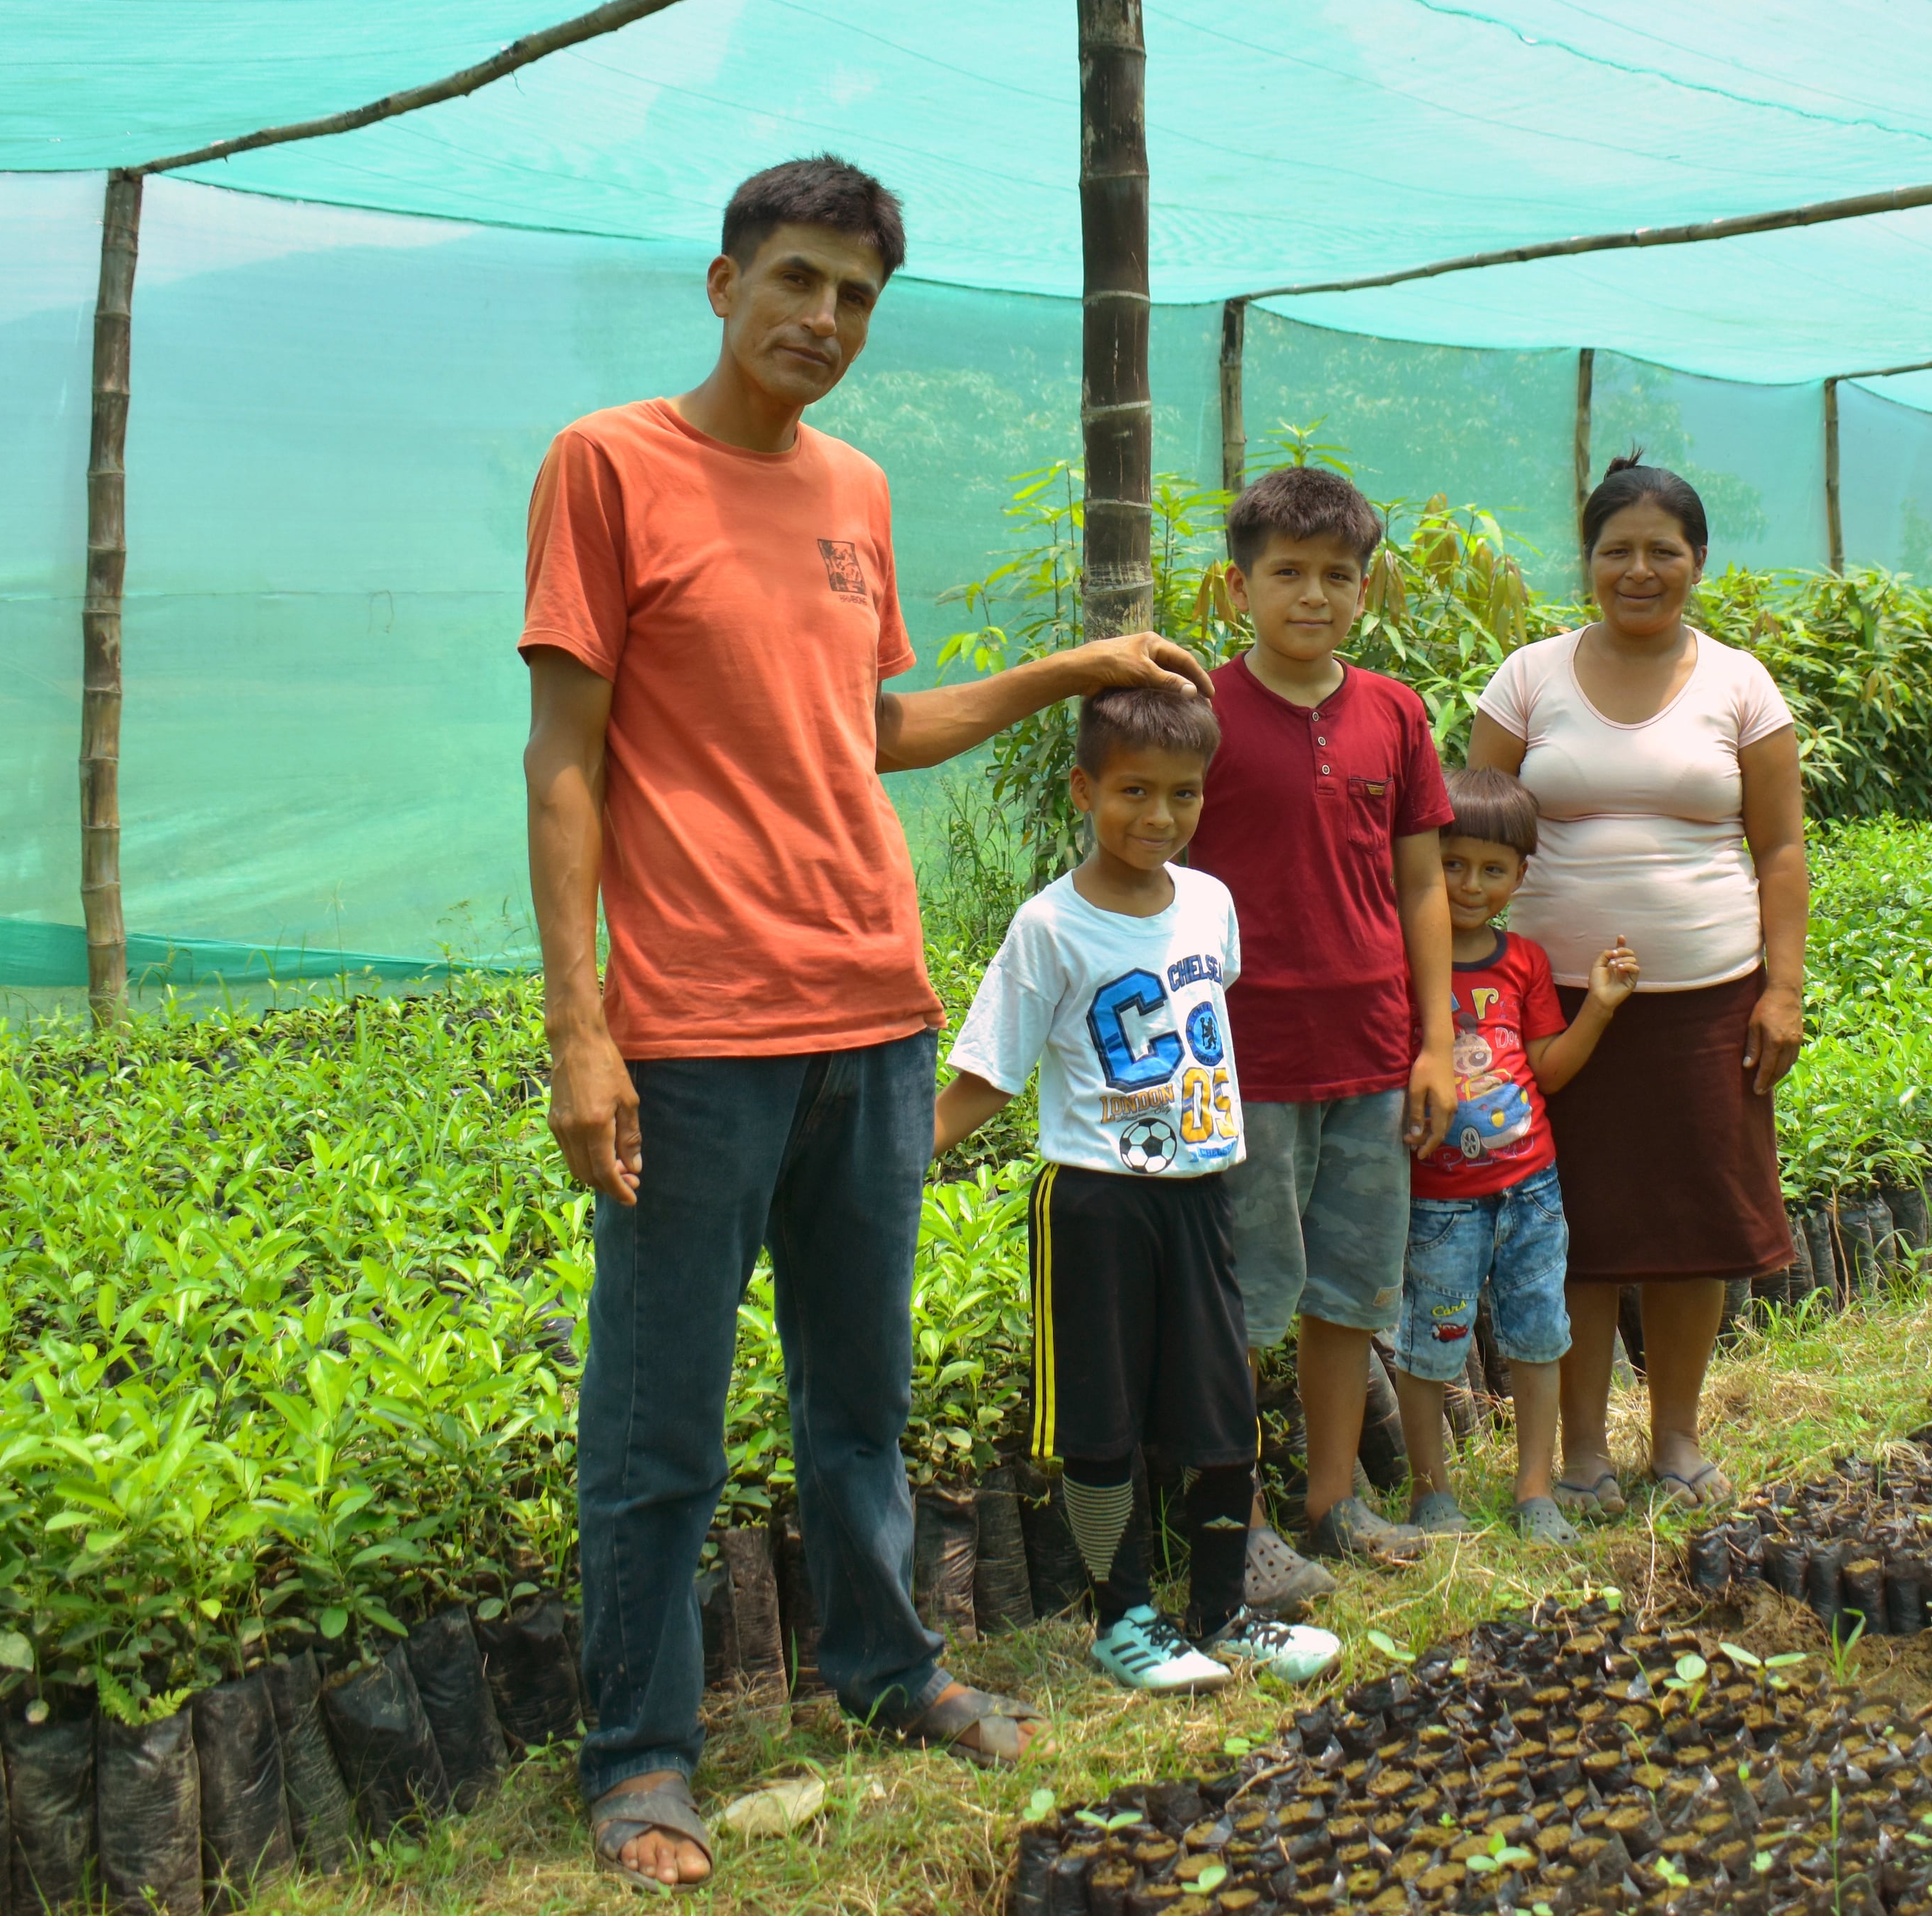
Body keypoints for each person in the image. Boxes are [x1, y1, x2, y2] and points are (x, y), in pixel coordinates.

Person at [518, 155, 1207, 1891]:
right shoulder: (608, 467)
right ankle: (644, 1756)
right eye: (799, 279)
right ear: (723, 281)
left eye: (857, 298)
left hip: (870, 1010)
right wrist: (581, 1031)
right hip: (693, 1027)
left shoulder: (856, 490)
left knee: (860, 1390)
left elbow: (870, 728)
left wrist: (1066, 671)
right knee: (658, 1417)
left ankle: (885, 1668)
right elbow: (564, 761)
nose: (824, 321)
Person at [932, 688, 1343, 1694]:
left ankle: (1224, 1612)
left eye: (1183, 794)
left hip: (1202, 1195)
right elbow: (991, 1073)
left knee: (1220, 1411)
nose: (1158, 816)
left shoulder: (1209, 901)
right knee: (1101, 1422)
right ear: (1084, 789)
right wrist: (896, 1160)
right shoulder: (1049, 927)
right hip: (1098, 1203)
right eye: (1131, 792)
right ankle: (1123, 1621)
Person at [1465, 455, 1808, 1517]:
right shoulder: (1528, 677)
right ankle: (1579, 1453)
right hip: (1549, 1004)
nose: (1640, 569)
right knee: (1570, 1223)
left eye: (1664, 549)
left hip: (1708, 998)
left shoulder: (1741, 684)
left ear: (1699, 561)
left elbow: (1783, 847)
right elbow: (1468, 828)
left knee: (1692, 1222)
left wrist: (1783, 988)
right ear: (1590, 561)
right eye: (1618, 549)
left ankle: (1676, 1438)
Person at [1182, 463, 1460, 1588]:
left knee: (1349, 1291)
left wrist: (1435, 1043)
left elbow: (1424, 885)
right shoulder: (1199, 713)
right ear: (1236, 587)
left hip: (1374, 1054)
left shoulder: (1394, 712)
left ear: (1365, 588)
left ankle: (1333, 1501)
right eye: (1286, 573)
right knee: (1247, 1297)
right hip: (1241, 1060)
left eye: (1336, 576)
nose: (1313, 596)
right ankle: (1236, 1523)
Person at [1388, 768, 1639, 1545]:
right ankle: (1432, 1495)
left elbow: (1549, 1070)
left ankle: (1535, 1487)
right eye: (1450, 864)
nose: (1469, 884)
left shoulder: (1522, 962)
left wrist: (1596, 1004)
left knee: (1537, 1337)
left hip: (1529, 1190)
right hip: (1436, 1199)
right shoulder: (1400, 961)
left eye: (1491, 870)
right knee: (1430, 1343)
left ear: (1519, 877)